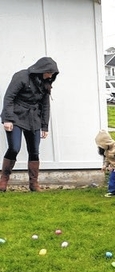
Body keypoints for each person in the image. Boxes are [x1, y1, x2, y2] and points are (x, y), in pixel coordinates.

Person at [1, 57, 59, 192]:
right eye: (49, 72)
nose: (50, 75)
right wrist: (8, 119)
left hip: (34, 119)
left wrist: (44, 126)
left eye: (52, 73)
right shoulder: (21, 76)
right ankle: (3, 180)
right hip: (15, 116)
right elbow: (9, 97)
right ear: (41, 69)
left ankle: (34, 184)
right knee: (14, 148)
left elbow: (45, 105)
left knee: (34, 151)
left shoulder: (46, 82)